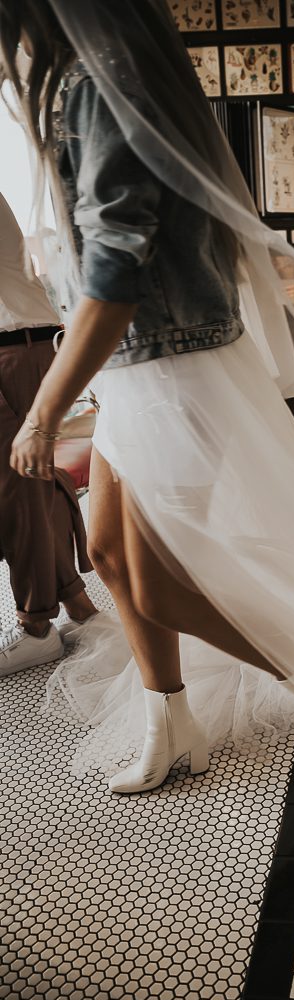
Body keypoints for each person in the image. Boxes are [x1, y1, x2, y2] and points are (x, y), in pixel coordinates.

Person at [1, 0, 294, 794]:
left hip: (171, 369)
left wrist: (42, 415)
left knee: (162, 576)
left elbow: (115, 275)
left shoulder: (103, 84)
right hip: (140, 367)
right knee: (109, 556)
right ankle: (171, 723)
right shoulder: (93, 79)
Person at [0, 190, 97, 676]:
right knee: (32, 489)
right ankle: (76, 604)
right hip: (25, 345)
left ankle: (37, 626)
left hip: (11, 351)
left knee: (18, 493)